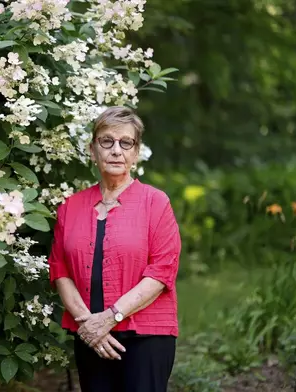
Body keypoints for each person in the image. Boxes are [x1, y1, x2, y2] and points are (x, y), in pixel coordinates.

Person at [48, 106, 181, 392]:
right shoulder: (70, 207)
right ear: (92, 149)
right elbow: (60, 269)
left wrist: (109, 318)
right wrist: (89, 325)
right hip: (90, 336)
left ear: (136, 152)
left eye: (126, 142)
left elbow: (161, 272)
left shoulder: (155, 203)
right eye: (106, 141)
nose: (116, 150)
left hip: (146, 337)